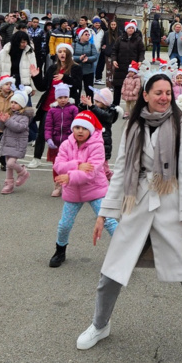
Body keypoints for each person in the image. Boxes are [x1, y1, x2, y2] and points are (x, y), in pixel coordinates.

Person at [76, 73, 182, 363]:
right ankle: (99, 325)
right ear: (145, 95)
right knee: (110, 274)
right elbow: (121, 171)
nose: (164, 97)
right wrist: (104, 213)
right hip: (137, 206)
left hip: (171, 205)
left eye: (168, 92)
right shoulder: (133, 125)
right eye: (157, 92)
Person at [50, 110, 115, 268]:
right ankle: (60, 250)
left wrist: (70, 176)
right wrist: (77, 165)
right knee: (64, 225)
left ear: (91, 130)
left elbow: (91, 173)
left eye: (84, 128)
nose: (80, 130)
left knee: (109, 222)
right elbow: (58, 165)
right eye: (77, 127)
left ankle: (125, 252)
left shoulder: (97, 146)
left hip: (95, 191)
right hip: (73, 192)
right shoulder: (66, 144)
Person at [44, 83, 80, 197]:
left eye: (65, 97)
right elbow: (48, 126)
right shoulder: (52, 111)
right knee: (56, 165)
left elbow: (77, 124)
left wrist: (75, 137)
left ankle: (71, 183)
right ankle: (58, 184)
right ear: (56, 98)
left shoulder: (73, 109)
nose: (63, 100)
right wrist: (48, 138)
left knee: (71, 164)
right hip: (56, 142)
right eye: (60, 97)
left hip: (70, 142)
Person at [0, 87, 33, 195]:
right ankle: (9, 184)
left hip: (17, 145)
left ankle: (23, 172)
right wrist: (2, 121)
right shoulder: (11, 114)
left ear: (22, 104)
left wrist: (7, 121)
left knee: (11, 163)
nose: (13, 104)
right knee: (8, 165)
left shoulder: (25, 117)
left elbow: (19, 128)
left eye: (16, 103)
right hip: (8, 143)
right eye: (12, 102)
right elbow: (1, 128)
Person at [110, 20, 145, 106]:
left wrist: (140, 61)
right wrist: (114, 60)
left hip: (133, 68)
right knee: (118, 87)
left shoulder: (138, 40)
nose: (130, 29)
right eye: (129, 28)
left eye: (132, 28)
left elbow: (141, 52)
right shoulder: (120, 39)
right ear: (126, 29)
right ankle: (115, 106)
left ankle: (132, 108)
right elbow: (114, 51)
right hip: (120, 67)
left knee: (133, 87)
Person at [73, 27, 100, 92]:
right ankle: (77, 102)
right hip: (77, 70)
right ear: (80, 36)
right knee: (76, 90)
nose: (88, 36)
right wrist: (79, 58)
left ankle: (89, 101)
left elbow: (95, 56)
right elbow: (71, 56)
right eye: (86, 34)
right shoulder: (74, 45)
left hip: (88, 71)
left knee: (89, 90)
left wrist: (88, 59)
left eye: (88, 34)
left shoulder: (91, 45)